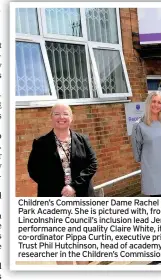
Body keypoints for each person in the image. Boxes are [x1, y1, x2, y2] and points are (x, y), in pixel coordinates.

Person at [27, 102, 97, 265]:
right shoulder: (40, 143)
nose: (61, 117)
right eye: (56, 114)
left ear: (71, 117)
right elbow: (34, 170)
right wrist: (60, 189)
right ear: (51, 118)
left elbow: (92, 164)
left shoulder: (83, 139)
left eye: (65, 113)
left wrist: (73, 186)